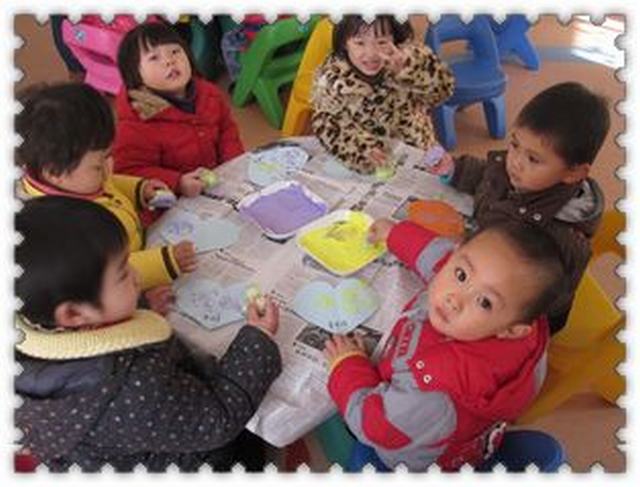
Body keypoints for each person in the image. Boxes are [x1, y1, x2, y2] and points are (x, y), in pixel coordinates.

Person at [15, 196, 281, 472]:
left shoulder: (32, 327)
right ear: (73, 314)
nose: (137, 275)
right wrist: (258, 339)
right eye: (123, 274)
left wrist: (138, 304)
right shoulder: (127, 389)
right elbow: (218, 418)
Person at [323, 218, 565, 471]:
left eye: (484, 302)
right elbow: (440, 257)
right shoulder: (517, 314)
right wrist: (395, 234)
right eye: (461, 275)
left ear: (512, 330)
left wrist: (347, 365)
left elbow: (376, 426)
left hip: (407, 457)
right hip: (456, 434)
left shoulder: (436, 394)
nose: (454, 299)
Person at [427, 82, 610, 334]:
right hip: (479, 263)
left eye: (533, 159)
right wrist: (455, 169)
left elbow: (549, 308)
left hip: (507, 316)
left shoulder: (563, 239)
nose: (515, 162)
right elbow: (488, 176)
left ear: (573, 173)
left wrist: (510, 326)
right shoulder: (520, 174)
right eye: (514, 144)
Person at [15, 82, 196, 312]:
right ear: (55, 173)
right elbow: (109, 270)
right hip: (123, 289)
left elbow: (110, 183)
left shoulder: (75, 178)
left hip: (138, 243)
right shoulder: (64, 229)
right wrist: (165, 262)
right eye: (99, 165)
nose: (110, 167)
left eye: (109, 155)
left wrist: (139, 189)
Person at [113, 21, 244, 197]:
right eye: (154, 58)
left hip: (217, 185)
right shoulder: (136, 121)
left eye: (175, 51)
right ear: (135, 74)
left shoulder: (209, 93)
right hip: (176, 201)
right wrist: (177, 183)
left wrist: (234, 163)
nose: (169, 61)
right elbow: (130, 171)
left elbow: (226, 130)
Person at [311, 15, 454, 175]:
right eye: (359, 43)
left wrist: (410, 68)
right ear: (344, 43)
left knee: (442, 179)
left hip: (422, 149)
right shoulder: (332, 78)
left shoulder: (410, 59)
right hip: (375, 165)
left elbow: (443, 91)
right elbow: (328, 124)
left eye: (382, 42)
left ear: (395, 39)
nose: (371, 54)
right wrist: (362, 149)